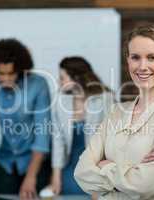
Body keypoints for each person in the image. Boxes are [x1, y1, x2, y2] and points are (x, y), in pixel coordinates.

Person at [74, 23, 154, 200]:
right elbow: (81, 173)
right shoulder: (115, 112)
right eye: (135, 57)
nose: (142, 66)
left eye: (151, 57)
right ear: (128, 60)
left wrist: (105, 166)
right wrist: (131, 172)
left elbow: (145, 186)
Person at [0, 38, 51, 200]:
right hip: (6, 161)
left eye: (11, 73)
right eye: (1, 74)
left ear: (21, 69)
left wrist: (31, 177)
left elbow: (42, 136)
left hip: (36, 162)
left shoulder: (38, 85)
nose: (6, 79)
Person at [49, 56, 114, 196]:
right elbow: (58, 141)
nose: (59, 81)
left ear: (76, 78)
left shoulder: (105, 99)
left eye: (62, 78)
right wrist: (56, 177)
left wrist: (100, 180)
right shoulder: (59, 101)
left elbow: (111, 141)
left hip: (98, 168)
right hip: (70, 168)